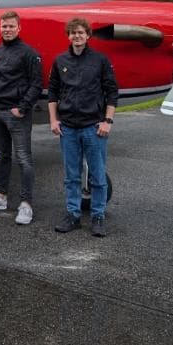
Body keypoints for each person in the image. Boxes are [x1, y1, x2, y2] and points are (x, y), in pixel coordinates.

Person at [48, 16, 118, 237]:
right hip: (68, 128)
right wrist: (53, 119)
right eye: (73, 32)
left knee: (97, 176)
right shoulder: (60, 61)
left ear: (88, 35)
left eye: (80, 32)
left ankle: (98, 216)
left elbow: (112, 92)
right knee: (71, 176)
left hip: (93, 127)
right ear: (68, 36)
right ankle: (73, 215)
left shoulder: (100, 60)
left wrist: (107, 121)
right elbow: (53, 93)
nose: (76, 36)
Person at [0, 10, 43, 225]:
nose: (7, 29)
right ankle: (1, 197)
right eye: (4, 26)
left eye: (11, 26)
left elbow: (36, 84)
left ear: (19, 27)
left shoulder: (29, 54)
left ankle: (26, 204)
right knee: (3, 156)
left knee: (24, 159)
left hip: (16, 113)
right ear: (0, 28)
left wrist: (22, 107)